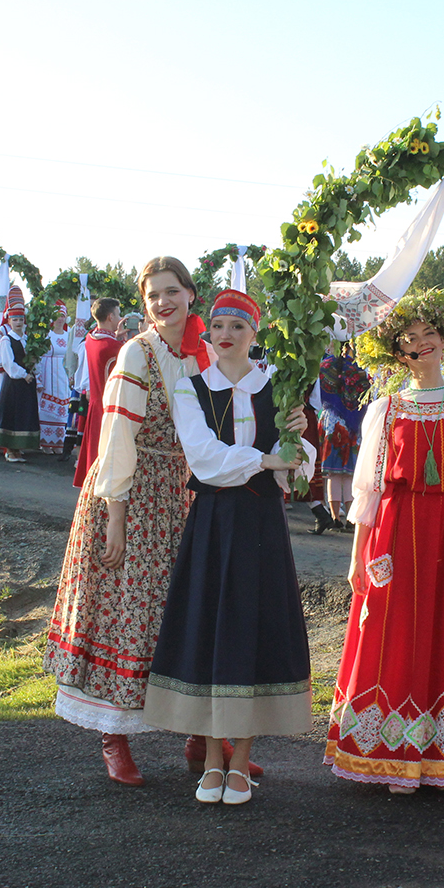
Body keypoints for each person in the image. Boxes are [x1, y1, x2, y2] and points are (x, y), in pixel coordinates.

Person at [326, 291, 444, 793]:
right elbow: (367, 487)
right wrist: (357, 554)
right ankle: (393, 753)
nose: (421, 343)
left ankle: (442, 754)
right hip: (395, 530)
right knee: (397, 632)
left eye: (429, 333)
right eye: (409, 339)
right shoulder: (384, 409)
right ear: (397, 353)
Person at [45, 256, 217, 785]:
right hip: (134, 491)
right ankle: (113, 735)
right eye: (152, 296)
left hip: (184, 490)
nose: (162, 302)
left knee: (188, 609)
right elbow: (116, 438)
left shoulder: (204, 354)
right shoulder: (136, 354)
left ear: (190, 294)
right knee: (129, 606)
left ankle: (201, 737)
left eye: (171, 291)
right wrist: (115, 517)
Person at [144, 291, 314, 804]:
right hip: (214, 525)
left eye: (237, 326)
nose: (226, 334)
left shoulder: (277, 388)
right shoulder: (192, 389)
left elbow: (302, 462)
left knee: (251, 631)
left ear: (253, 335)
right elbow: (204, 460)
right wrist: (267, 460)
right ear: (208, 333)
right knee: (212, 632)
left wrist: (300, 440)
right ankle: (211, 761)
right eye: (218, 325)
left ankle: (239, 760)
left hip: (260, 525)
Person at [72, 298, 125, 487]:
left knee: (94, 455)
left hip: (95, 404)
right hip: (109, 409)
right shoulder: (115, 348)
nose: (120, 318)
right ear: (110, 316)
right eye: (118, 314)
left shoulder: (91, 338)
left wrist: (117, 336)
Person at [317, 343, 369, 529]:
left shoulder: (327, 366)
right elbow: (366, 396)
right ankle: (349, 518)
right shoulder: (360, 369)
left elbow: (321, 394)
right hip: (353, 425)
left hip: (332, 422)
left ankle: (335, 517)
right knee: (348, 474)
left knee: (333, 474)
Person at [0, 300, 43, 462]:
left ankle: (18, 447)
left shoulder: (28, 340)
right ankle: (9, 449)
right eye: (15, 320)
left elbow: (35, 360)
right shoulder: (6, 340)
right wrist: (23, 374)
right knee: (12, 413)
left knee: (24, 414)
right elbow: (8, 363)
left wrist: (34, 369)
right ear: (9, 321)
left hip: (27, 382)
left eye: (21, 319)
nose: (18, 323)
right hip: (14, 382)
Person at [36, 304, 72, 454]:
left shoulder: (69, 335)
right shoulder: (46, 336)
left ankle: (59, 442)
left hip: (64, 377)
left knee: (64, 409)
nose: (60, 319)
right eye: (57, 316)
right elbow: (38, 358)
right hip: (48, 375)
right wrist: (38, 379)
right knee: (47, 408)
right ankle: (45, 442)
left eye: (62, 316)